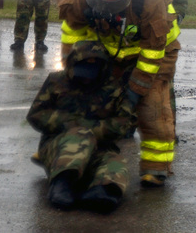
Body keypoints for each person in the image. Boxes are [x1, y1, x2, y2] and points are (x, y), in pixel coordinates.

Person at [57, 0, 180, 188]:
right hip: (113, 49)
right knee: (94, 101)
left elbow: (153, 53)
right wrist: (73, 67)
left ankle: (156, 168)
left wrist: (135, 90)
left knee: (153, 106)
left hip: (157, 51)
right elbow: (71, 30)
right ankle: (73, 154)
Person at [27, 41, 137, 213]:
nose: (86, 78)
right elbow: (36, 114)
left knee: (116, 163)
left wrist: (90, 129)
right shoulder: (56, 81)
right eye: (82, 72)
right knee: (80, 134)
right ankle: (62, 184)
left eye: (91, 74)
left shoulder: (114, 89)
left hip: (99, 148)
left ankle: (102, 192)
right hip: (58, 147)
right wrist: (70, 124)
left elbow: (124, 124)